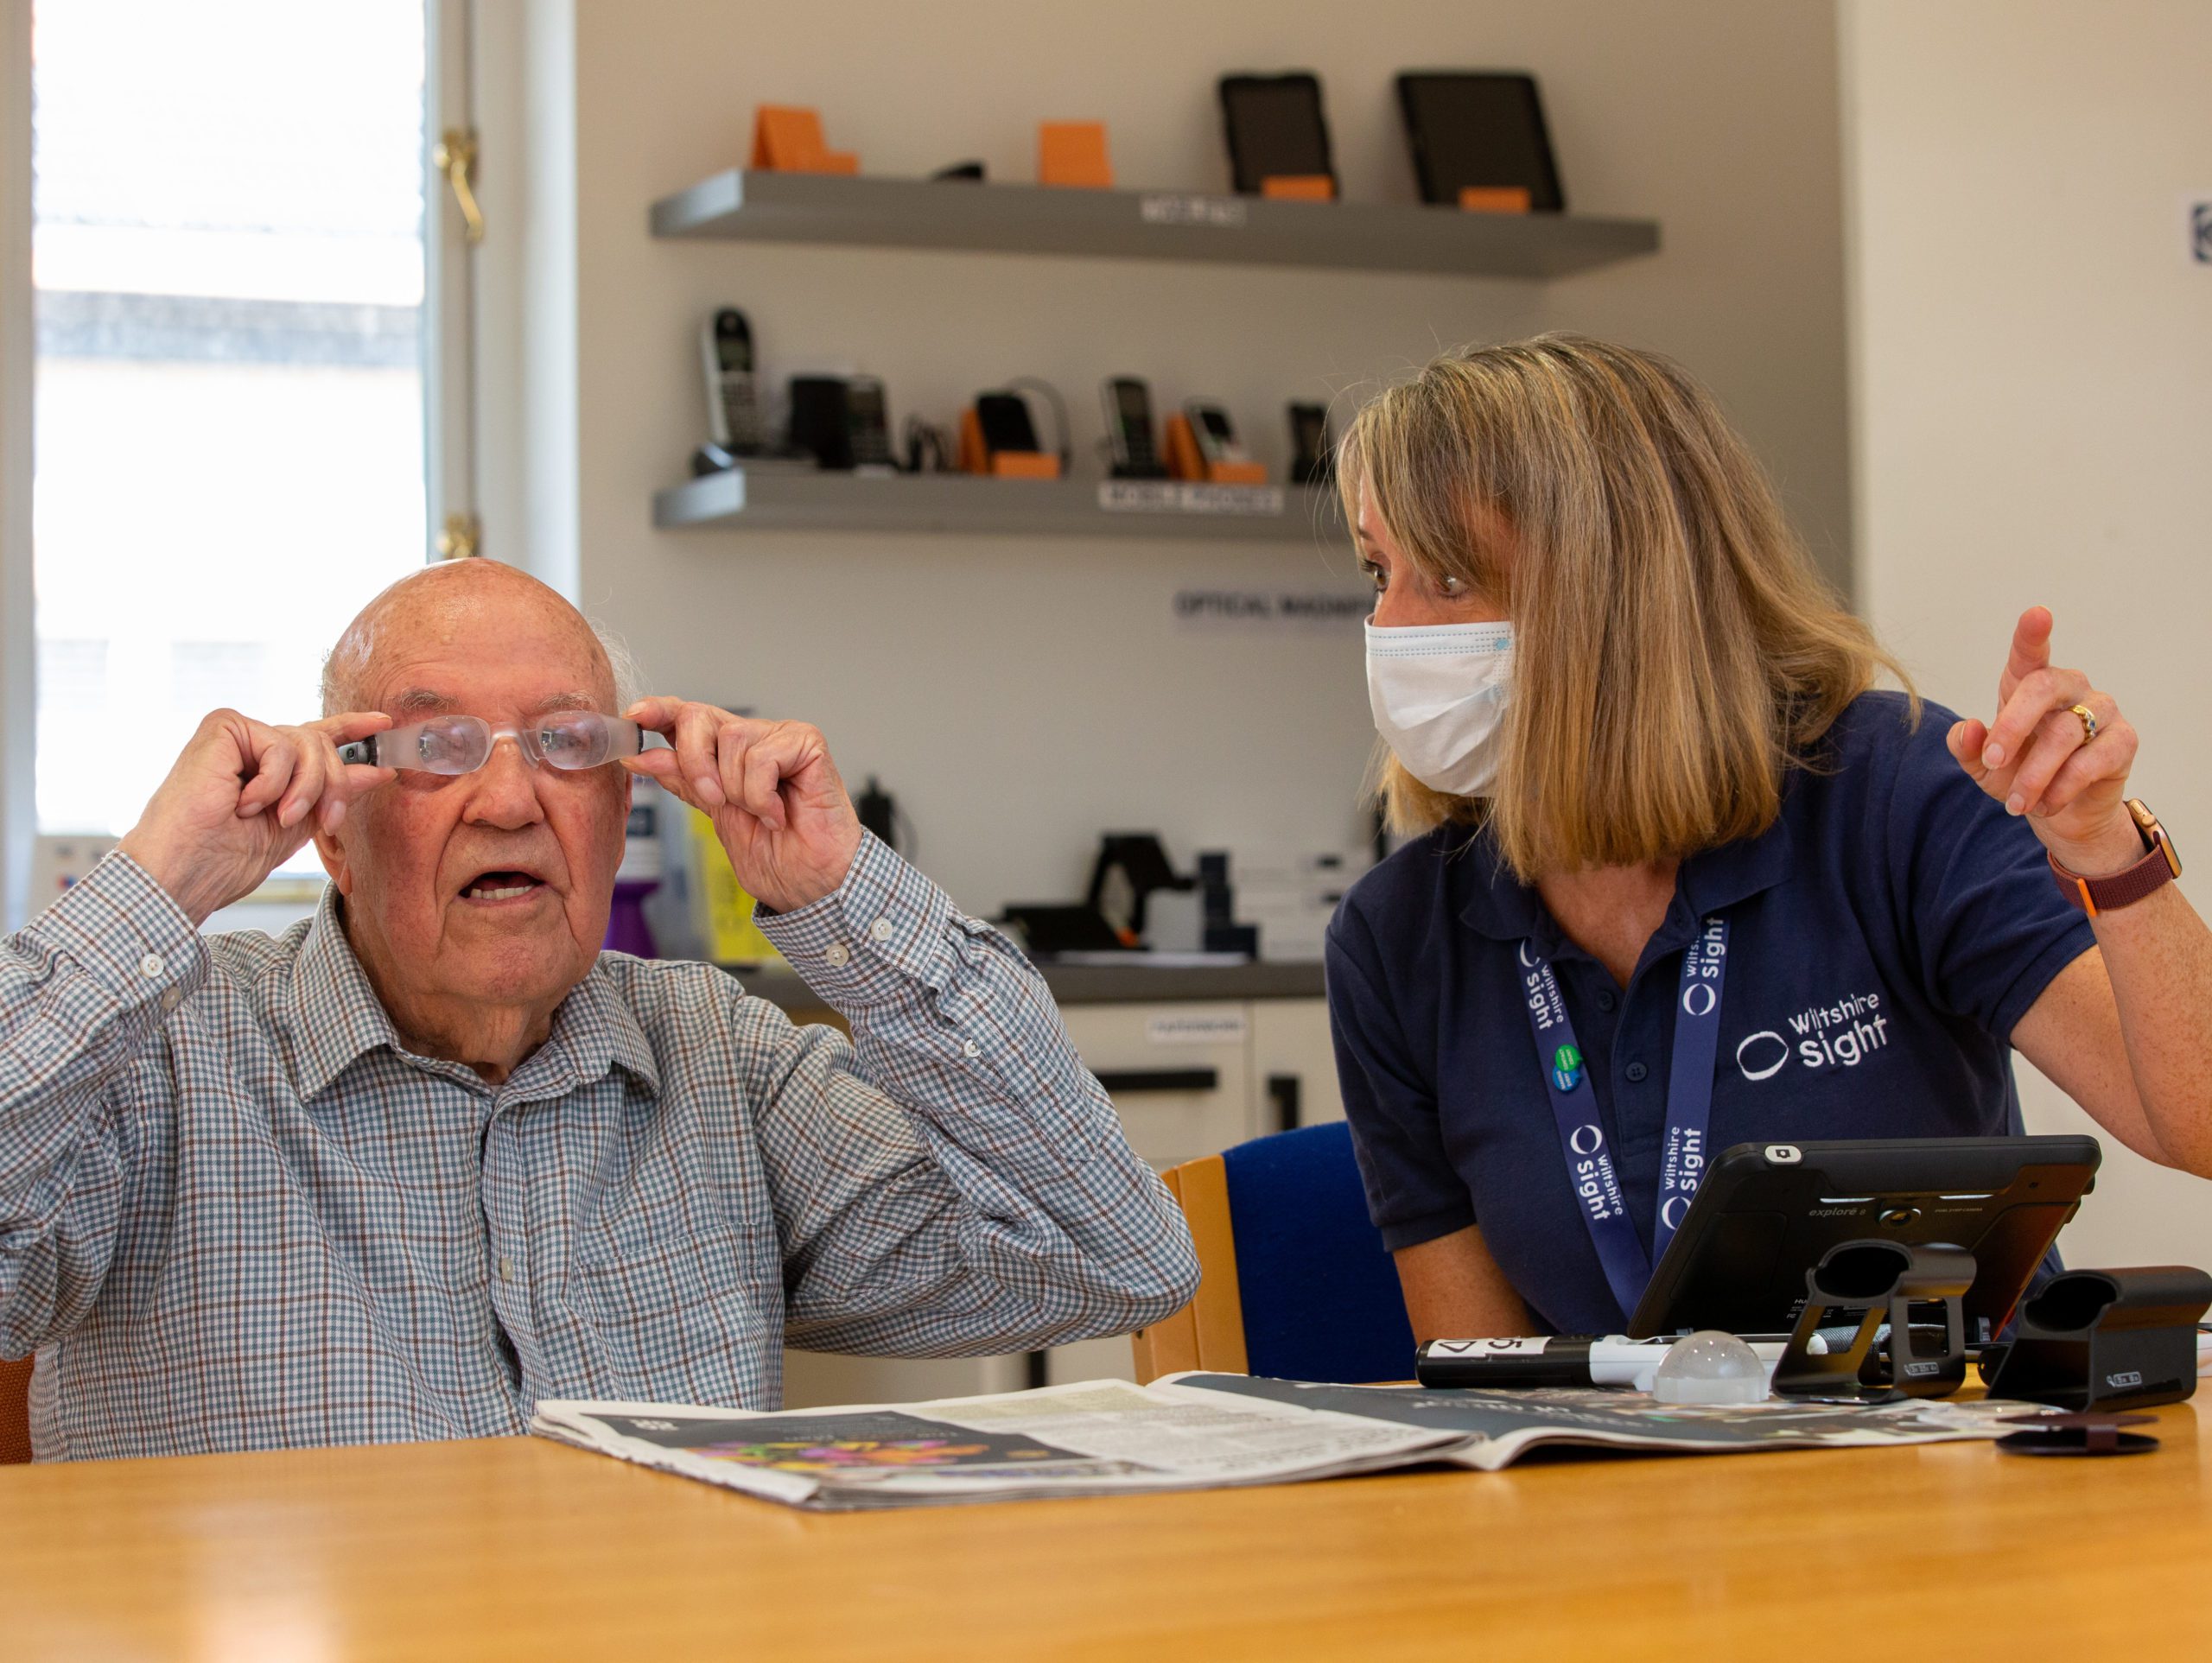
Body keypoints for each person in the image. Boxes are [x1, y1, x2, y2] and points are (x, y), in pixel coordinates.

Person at [0, 560, 1198, 1461]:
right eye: (437, 744)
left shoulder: (718, 1055)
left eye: (568, 745)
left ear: (624, 807)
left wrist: (840, 896)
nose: (513, 796)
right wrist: (159, 888)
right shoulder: (159, 1057)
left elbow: (1117, 1257)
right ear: (331, 823)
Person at [1325, 334, 2212, 1342]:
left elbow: (2198, 1121)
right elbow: (1482, 1382)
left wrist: (2105, 852)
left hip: (1952, 1469)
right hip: (1628, 1484)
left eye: (1445, 579)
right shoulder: (1396, 936)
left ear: (1615, 595)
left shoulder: (1888, 789)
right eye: (1375, 573)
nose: (1388, 627)